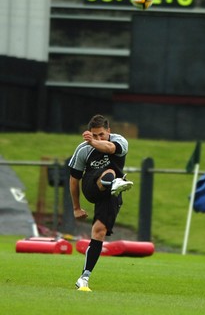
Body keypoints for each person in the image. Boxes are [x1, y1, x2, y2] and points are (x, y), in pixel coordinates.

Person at [68, 114, 133, 291]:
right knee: (110, 170)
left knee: (99, 232)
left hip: (112, 194)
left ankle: (84, 278)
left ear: (109, 131)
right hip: (91, 186)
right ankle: (113, 182)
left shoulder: (120, 141)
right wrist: (76, 207)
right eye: (94, 135)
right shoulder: (82, 150)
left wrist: (93, 142)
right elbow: (74, 180)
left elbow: (111, 148)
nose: (98, 138)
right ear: (89, 133)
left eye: (101, 135)